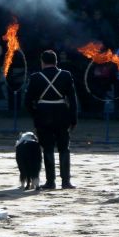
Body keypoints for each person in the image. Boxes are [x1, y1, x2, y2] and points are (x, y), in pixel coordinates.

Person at [25, 50, 78, 190]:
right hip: (62, 114)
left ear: (42, 62)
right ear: (56, 61)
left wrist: (35, 115)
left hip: (43, 115)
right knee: (64, 149)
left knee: (47, 148)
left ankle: (50, 182)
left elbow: (27, 102)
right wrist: (73, 119)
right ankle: (66, 181)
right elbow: (73, 100)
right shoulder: (66, 75)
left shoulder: (36, 77)